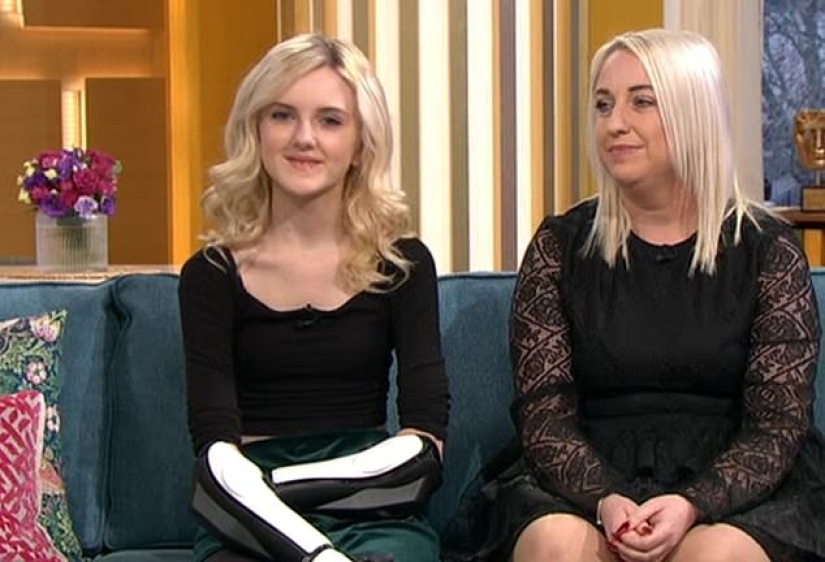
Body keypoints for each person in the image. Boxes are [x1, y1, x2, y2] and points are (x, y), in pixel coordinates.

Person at [448, 28, 825, 562]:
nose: (614, 123)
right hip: (585, 480)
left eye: (641, 102)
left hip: (736, 486)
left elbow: (778, 424)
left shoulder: (768, 249)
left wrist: (694, 503)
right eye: (604, 104)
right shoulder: (560, 245)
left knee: (715, 556)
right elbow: (544, 414)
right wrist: (605, 499)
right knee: (556, 544)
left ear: (692, 112)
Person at [177, 33, 449, 562]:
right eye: (283, 116)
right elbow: (215, 452)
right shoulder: (211, 275)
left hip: (371, 495)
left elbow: (426, 445)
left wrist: (285, 485)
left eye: (329, 120)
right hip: (246, 509)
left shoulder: (403, 265)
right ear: (256, 130)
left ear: (361, 144)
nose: (304, 138)